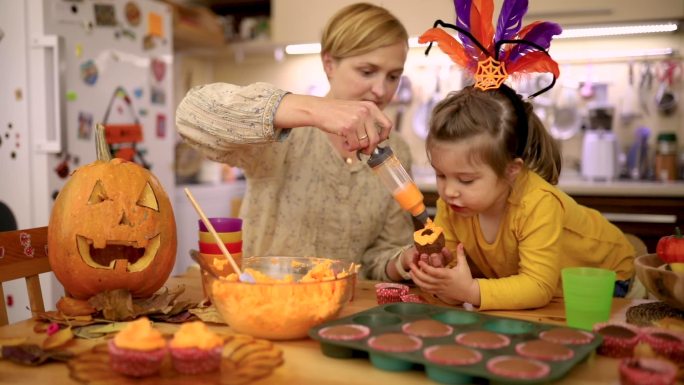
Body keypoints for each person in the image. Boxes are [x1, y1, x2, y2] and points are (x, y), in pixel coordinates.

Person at [390, 0, 638, 310]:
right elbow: (457, 267)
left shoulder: (537, 204)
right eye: (441, 175)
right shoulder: (453, 204)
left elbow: (537, 287)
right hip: (545, 287)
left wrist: (469, 290)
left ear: (511, 170)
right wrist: (439, 274)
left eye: (466, 179)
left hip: (609, 278)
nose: (448, 190)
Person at [175, 3, 414, 280]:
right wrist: (314, 110)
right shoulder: (285, 132)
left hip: (346, 311)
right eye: (367, 71)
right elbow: (191, 115)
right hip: (267, 305)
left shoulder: (397, 152)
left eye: (393, 76)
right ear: (329, 64)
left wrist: (402, 262)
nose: (381, 89)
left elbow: (379, 255)